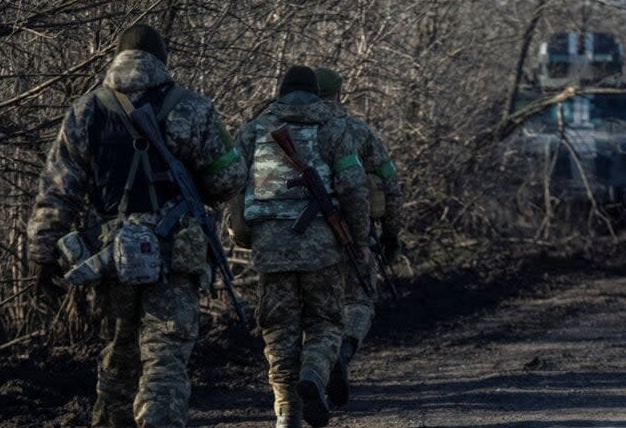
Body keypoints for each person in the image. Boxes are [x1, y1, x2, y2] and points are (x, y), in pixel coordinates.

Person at [26, 24, 246, 428]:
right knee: (165, 359)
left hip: (112, 257)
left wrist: (43, 254)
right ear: (161, 61)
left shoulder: (86, 110)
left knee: (119, 353)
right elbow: (228, 180)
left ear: (118, 57)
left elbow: (57, 190)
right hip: (175, 254)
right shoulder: (193, 109)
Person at [235, 65, 370, 428]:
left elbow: (232, 183)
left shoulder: (254, 129)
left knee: (279, 330)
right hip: (323, 248)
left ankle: (286, 411)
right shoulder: (333, 127)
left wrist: (243, 232)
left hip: (270, 247)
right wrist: (359, 240)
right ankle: (313, 372)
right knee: (326, 322)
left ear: (280, 91)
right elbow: (354, 187)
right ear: (315, 93)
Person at [314, 67, 403, 408]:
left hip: (300, 238)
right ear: (338, 95)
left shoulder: (288, 128)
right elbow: (390, 185)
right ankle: (344, 350)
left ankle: (313, 369)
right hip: (354, 237)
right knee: (359, 301)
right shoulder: (358, 131)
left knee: (313, 309)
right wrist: (392, 235)